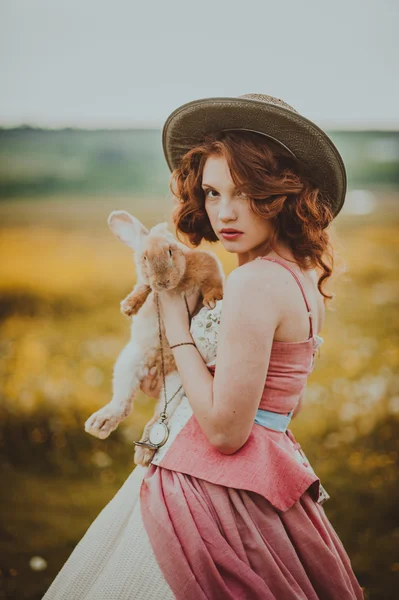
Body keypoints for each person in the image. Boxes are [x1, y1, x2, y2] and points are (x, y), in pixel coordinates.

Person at [42, 93, 364, 599]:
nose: (225, 213)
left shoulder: (254, 282)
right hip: (267, 474)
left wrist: (176, 322)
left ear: (282, 194)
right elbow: (282, 403)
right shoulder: (299, 276)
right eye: (213, 194)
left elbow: (225, 433)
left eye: (246, 192)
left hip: (211, 491)